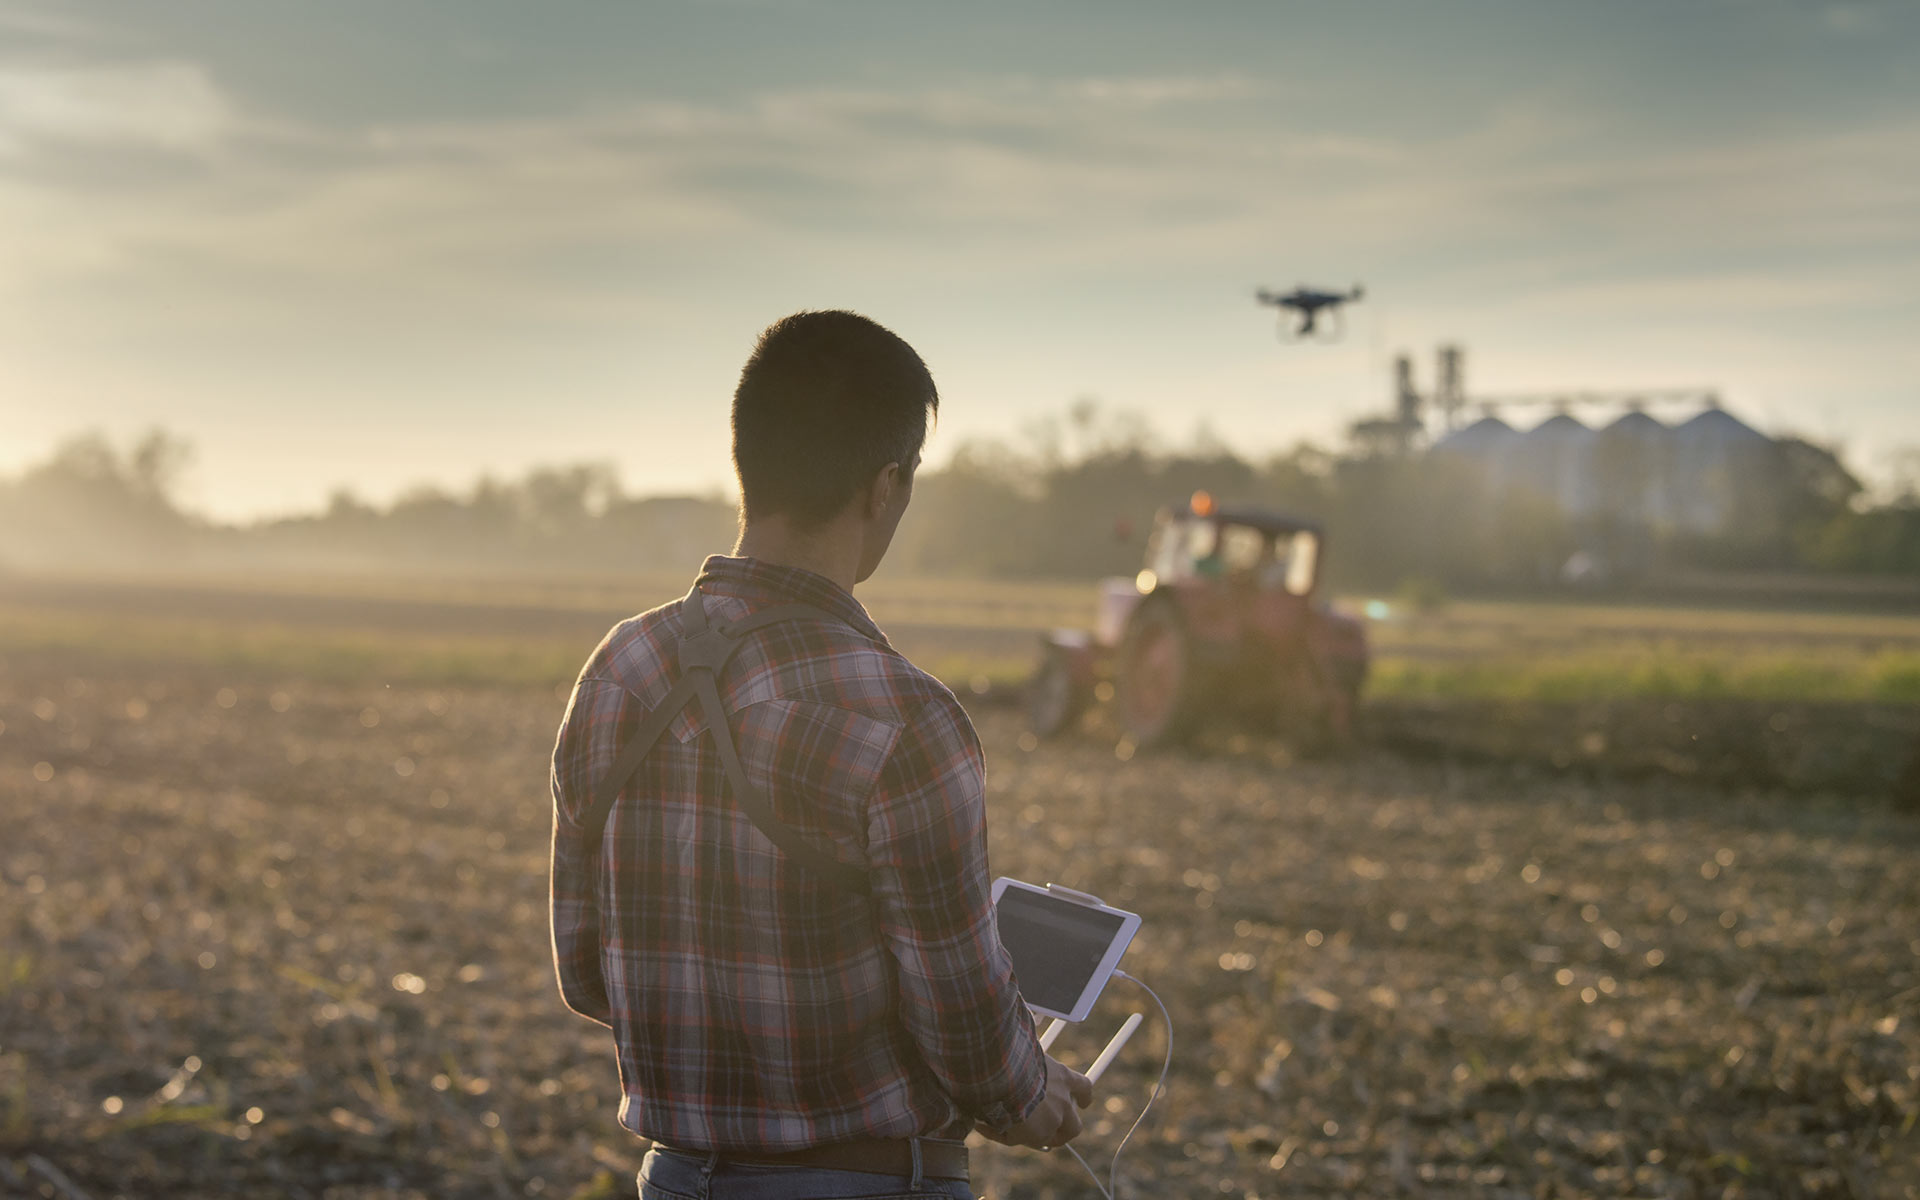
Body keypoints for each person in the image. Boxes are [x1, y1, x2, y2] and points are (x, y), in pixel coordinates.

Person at [549, 310, 1092, 1200]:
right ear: (886, 486)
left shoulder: (618, 671)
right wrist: (1030, 1095)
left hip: (674, 1181)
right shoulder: (904, 715)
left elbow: (585, 971)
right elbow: (961, 1021)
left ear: (747, 459)